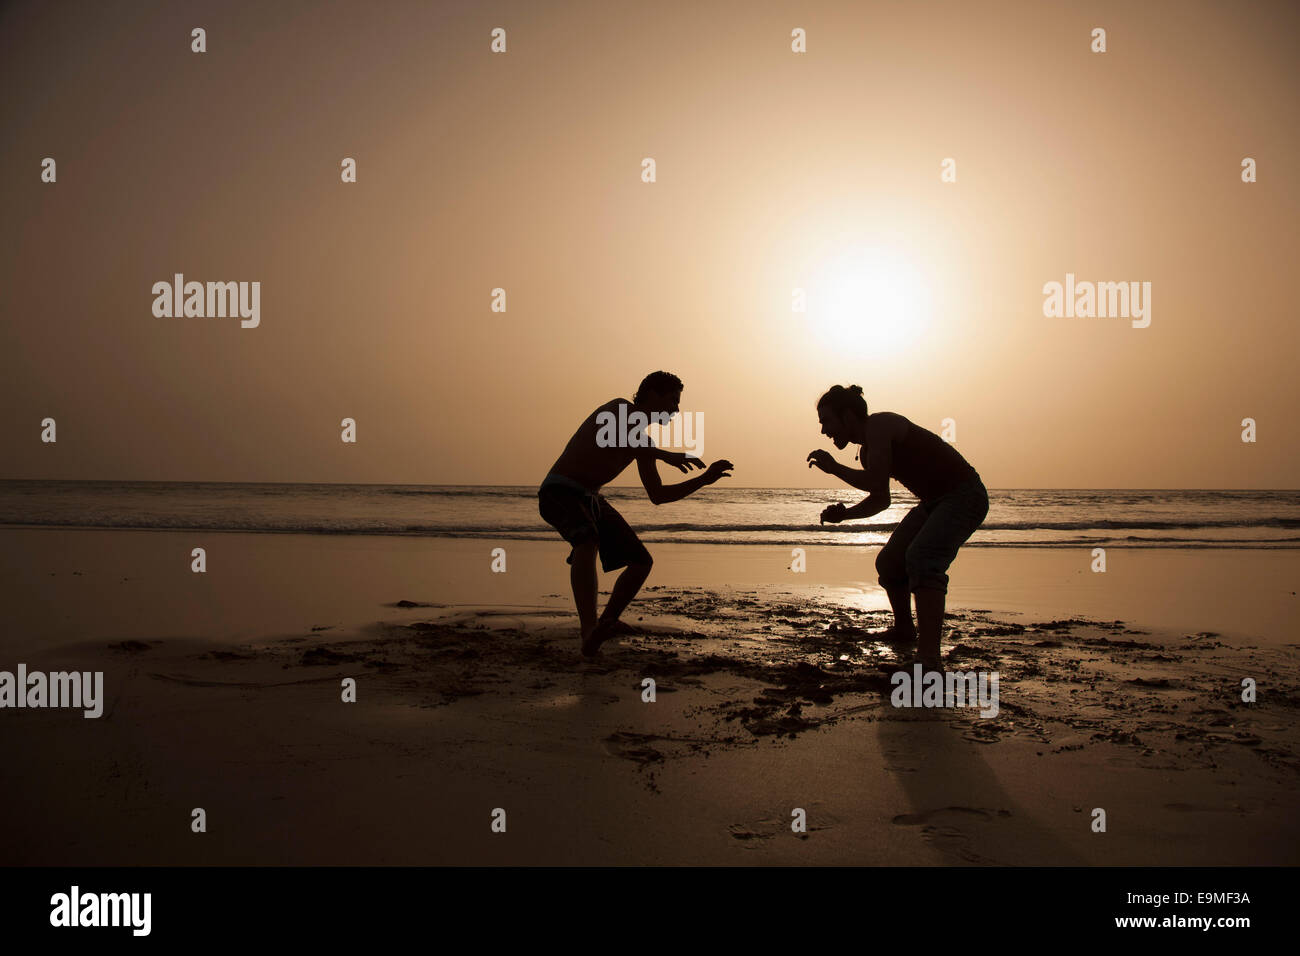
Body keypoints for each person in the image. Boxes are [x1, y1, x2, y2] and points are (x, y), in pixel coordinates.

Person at [539, 371, 734, 656]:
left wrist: (704, 479)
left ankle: (607, 621)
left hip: (591, 498)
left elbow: (658, 495)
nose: (676, 410)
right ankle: (588, 631)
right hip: (559, 492)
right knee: (587, 541)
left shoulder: (643, 443)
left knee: (641, 561)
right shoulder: (618, 410)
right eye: (672, 401)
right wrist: (666, 455)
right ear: (652, 394)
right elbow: (616, 435)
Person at [807, 385, 988, 670]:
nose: (824, 431)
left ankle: (929, 662)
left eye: (826, 421)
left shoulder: (879, 425)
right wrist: (845, 515)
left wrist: (834, 468)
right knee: (890, 563)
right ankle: (904, 629)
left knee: (923, 559)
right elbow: (881, 500)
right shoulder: (867, 451)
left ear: (847, 415)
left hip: (964, 496)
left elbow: (875, 483)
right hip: (934, 503)